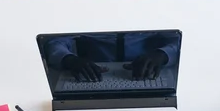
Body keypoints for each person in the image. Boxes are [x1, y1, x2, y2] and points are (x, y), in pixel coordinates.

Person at [44, 31, 180, 81]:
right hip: (92, 74)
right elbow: (55, 42)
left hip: (147, 73)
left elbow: (178, 39)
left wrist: (163, 54)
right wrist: (69, 59)